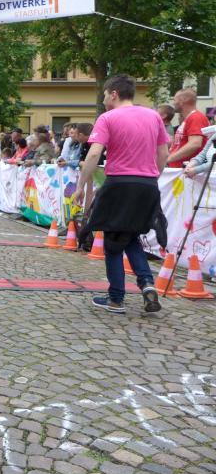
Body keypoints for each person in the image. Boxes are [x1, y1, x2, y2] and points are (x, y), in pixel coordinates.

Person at [74, 74, 168, 315]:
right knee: (131, 236)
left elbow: (93, 154)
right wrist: (152, 178)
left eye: (105, 95)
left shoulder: (107, 118)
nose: (104, 100)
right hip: (147, 184)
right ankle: (147, 284)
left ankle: (116, 298)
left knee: (113, 242)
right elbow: (163, 153)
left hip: (119, 183)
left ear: (114, 94)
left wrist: (80, 186)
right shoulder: (153, 116)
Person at [167, 88, 208, 168]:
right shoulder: (190, 118)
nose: (173, 103)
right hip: (182, 169)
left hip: (187, 170)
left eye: (175, 100)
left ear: (183, 100)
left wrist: (168, 158)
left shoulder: (196, 117)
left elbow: (195, 144)